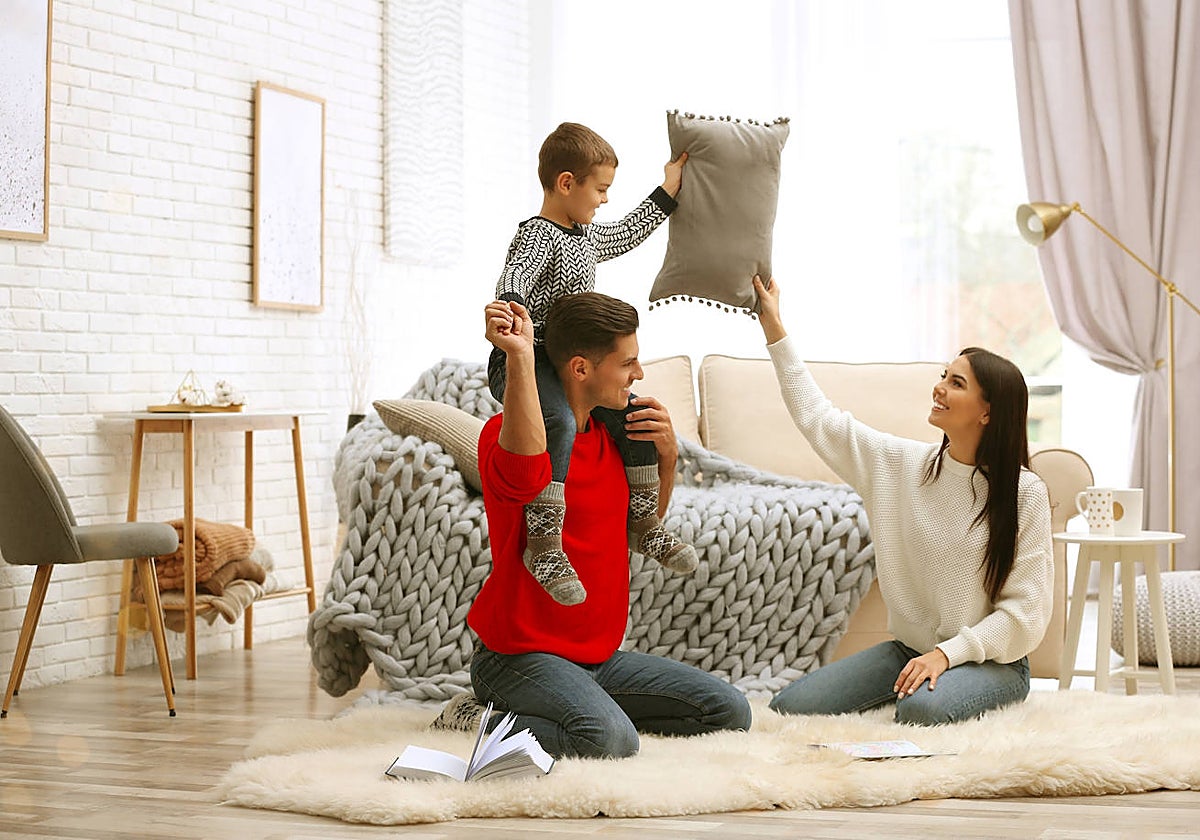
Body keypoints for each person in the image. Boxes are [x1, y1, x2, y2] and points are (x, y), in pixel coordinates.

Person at [432, 292, 751, 758]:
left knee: (728, 711)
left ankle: (582, 707)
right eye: (628, 363)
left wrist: (667, 456)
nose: (638, 375)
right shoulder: (506, 437)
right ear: (581, 369)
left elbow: (638, 529)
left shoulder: (614, 440)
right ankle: (475, 718)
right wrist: (519, 356)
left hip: (598, 659)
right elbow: (523, 470)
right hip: (517, 658)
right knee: (608, 740)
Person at [752, 275, 1054, 726]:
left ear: (987, 412)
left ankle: (952, 689)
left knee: (920, 711)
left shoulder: (1023, 493)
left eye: (956, 383)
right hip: (909, 652)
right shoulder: (901, 465)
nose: (939, 388)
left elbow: (1024, 615)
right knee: (790, 707)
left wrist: (948, 655)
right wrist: (774, 326)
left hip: (993, 661)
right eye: (942, 376)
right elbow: (818, 418)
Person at [487, 122, 696, 607]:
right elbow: (514, 277)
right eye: (600, 189)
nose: (604, 200)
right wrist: (513, 321)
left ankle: (643, 523)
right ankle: (544, 544)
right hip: (531, 359)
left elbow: (627, 233)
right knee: (559, 420)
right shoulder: (537, 235)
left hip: (573, 363)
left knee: (634, 416)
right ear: (567, 183)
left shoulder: (585, 236)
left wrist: (668, 189)